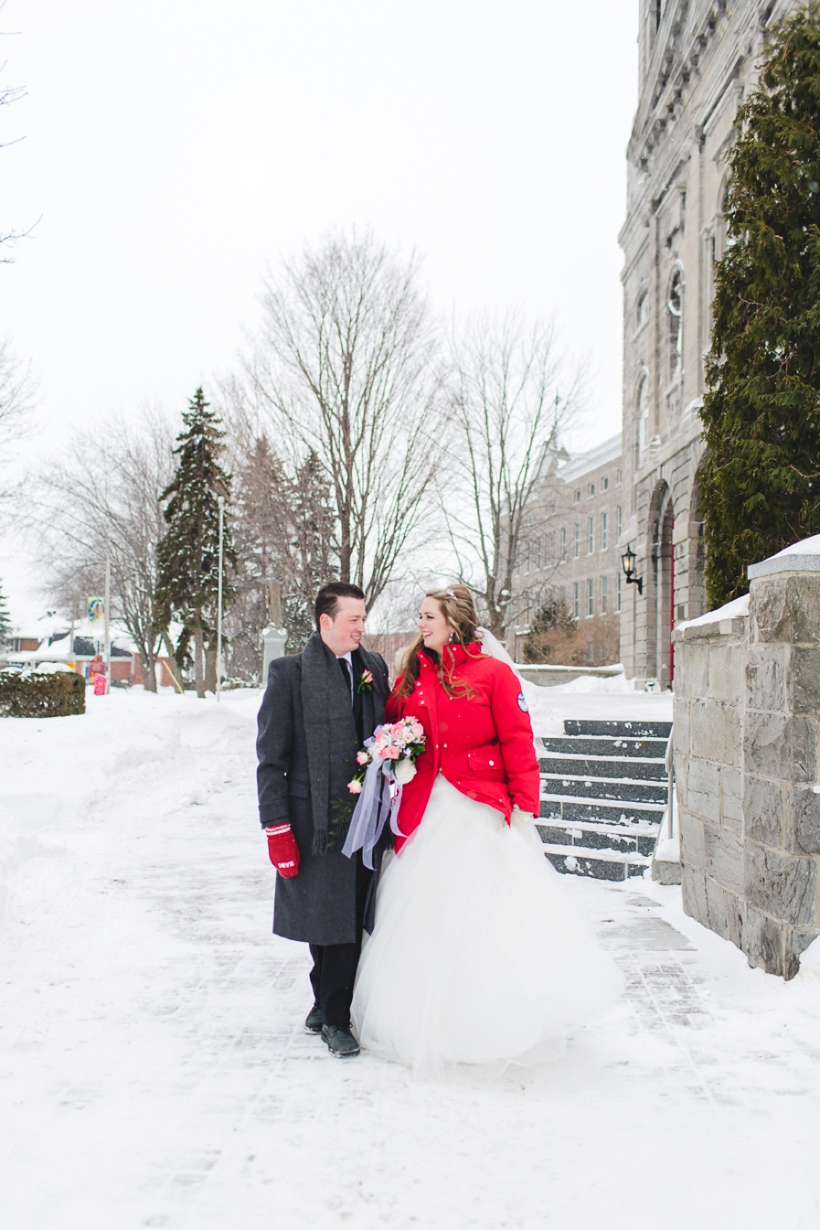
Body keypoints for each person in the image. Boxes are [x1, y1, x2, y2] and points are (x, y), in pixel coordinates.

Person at [351, 584, 622, 1077]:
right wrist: (396, 752)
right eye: (420, 615)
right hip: (422, 811)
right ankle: (422, 1021)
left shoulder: (493, 674)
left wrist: (523, 808)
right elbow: (393, 726)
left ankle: (490, 1019)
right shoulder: (412, 674)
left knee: (479, 913)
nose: (421, 623)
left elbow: (519, 742)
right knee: (424, 915)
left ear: (453, 621)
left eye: (428, 616)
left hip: (477, 808)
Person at [256, 581, 390, 1058]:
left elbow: (386, 731)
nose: (361, 627)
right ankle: (328, 1004)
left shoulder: (373, 667)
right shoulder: (289, 674)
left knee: (348, 921)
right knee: (325, 920)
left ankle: (334, 1014)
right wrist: (276, 828)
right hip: (312, 818)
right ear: (325, 622)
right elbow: (271, 758)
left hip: (367, 816)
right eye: (352, 619)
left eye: (363, 618)